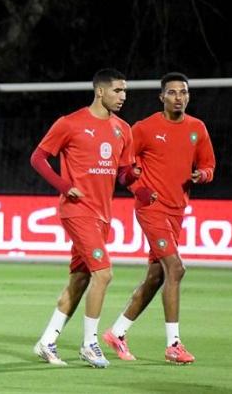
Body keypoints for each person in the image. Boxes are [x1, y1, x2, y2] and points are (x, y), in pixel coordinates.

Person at [102, 72, 215, 364]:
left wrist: (201, 175)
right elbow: (122, 167)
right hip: (152, 209)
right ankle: (173, 345)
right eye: (173, 92)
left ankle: (117, 332)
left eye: (183, 92)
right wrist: (139, 189)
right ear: (161, 97)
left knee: (156, 276)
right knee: (176, 269)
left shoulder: (197, 129)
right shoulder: (144, 128)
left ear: (188, 96)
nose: (179, 97)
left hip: (178, 211)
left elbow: (208, 166)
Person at [30, 68, 138, 368]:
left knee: (79, 280)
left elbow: (123, 175)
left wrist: (135, 176)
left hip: (103, 215)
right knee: (104, 274)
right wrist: (65, 186)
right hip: (77, 211)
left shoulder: (123, 130)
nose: (123, 96)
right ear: (100, 91)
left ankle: (47, 341)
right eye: (117, 90)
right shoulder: (70, 123)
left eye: (125, 90)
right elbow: (37, 158)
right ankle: (90, 344)